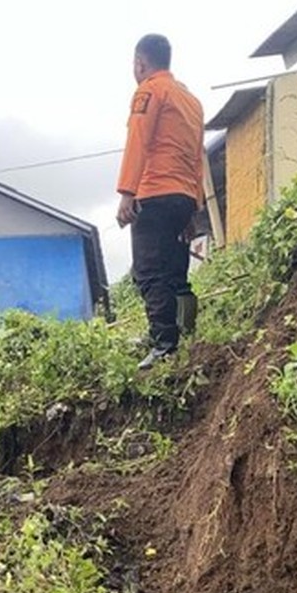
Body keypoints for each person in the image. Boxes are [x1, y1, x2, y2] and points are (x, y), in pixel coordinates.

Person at [115, 33, 204, 370]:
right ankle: (186, 332)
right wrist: (193, 206)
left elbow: (138, 139)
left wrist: (127, 192)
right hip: (182, 197)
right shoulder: (190, 100)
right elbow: (197, 156)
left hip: (153, 194)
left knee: (149, 272)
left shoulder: (149, 91)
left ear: (140, 63)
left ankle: (164, 343)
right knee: (176, 271)